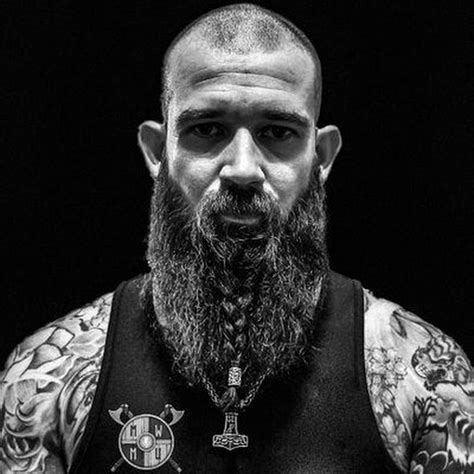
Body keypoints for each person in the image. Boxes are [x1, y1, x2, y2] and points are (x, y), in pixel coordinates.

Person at [1, 3, 472, 473]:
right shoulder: (46, 381)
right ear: (157, 151)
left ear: (321, 156)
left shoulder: (426, 378)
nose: (243, 169)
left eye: (278, 132)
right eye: (207, 129)